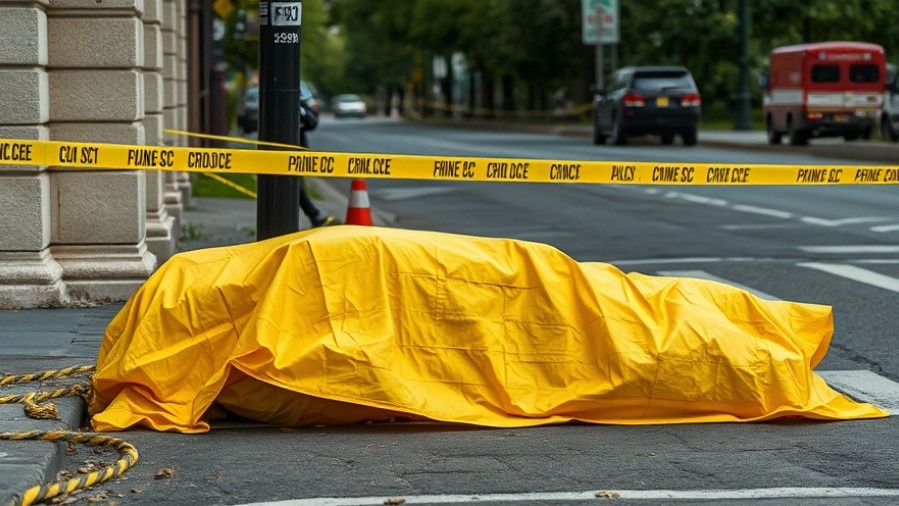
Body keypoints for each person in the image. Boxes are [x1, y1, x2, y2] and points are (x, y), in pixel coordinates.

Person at [298, 90, 336, 228]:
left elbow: (312, 123)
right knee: (292, 184)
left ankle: (314, 215)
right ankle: (313, 214)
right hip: (281, 152)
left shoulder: (300, 105)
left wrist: (302, 111)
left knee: (295, 184)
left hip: (298, 151)